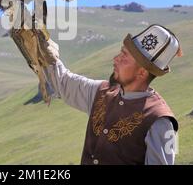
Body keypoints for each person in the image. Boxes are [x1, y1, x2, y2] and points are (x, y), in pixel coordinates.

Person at [38, 24, 182, 165]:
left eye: (124, 57)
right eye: (121, 52)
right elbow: (63, 82)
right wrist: (44, 47)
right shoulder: (101, 91)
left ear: (142, 72)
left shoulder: (161, 121)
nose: (116, 59)